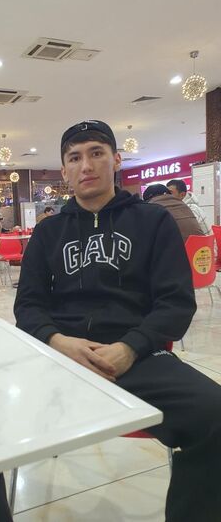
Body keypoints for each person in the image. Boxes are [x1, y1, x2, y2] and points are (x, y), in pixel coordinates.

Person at [11, 120, 221, 522]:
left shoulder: (152, 221)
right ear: (64, 170)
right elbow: (29, 306)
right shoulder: (48, 232)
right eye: (75, 158)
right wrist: (58, 341)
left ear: (116, 160)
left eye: (97, 153)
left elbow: (176, 303)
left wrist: (131, 347)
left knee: (216, 416)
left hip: (137, 358)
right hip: (60, 360)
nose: (86, 165)